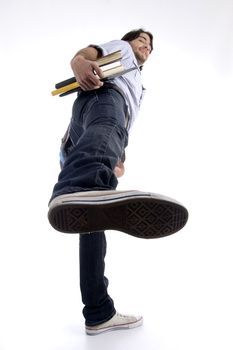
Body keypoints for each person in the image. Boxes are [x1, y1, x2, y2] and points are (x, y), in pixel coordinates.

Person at [48, 29, 188, 335]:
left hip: (86, 138)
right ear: (131, 40)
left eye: (150, 46)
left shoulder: (139, 83)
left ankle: (98, 312)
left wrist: (116, 154)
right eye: (143, 40)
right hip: (102, 102)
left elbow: (114, 126)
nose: (145, 47)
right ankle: (71, 188)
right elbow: (86, 55)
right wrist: (80, 64)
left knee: (92, 223)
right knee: (90, 179)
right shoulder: (122, 50)